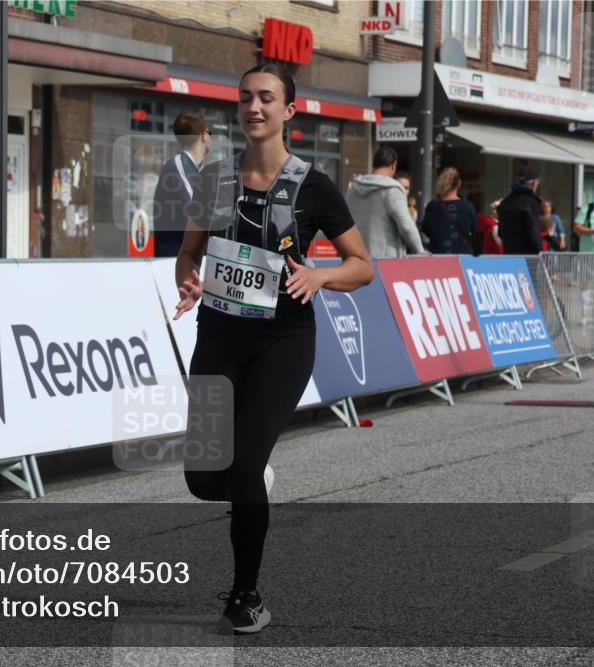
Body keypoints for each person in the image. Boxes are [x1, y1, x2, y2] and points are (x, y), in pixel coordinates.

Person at [173, 64, 373, 634]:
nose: (254, 107)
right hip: (218, 335)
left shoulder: (314, 186)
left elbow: (363, 266)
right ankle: (248, 478)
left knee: (240, 468)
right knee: (204, 479)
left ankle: (246, 595)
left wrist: (319, 277)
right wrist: (187, 280)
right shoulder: (214, 180)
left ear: (289, 111)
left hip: (282, 342)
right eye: (245, 99)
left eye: (266, 98)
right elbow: (189, 255)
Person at [344, 146, 426, 258]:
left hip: (357, 259)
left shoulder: (354, 188)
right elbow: (406, 226)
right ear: (393, 165)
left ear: (373, 165)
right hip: (385, 261)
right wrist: (420, 250)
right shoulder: (392, 190)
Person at [152, 110, 211, 258]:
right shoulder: (178, 165)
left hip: (190, 261)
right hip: (174, 263)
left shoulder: (197, 169)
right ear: (204, 134)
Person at [421, 167, 477, 254]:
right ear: (459, 183)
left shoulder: (432, 207)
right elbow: (475, 231)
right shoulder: (468, 207)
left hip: (438, 257)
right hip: (463, 258)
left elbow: (426, 230)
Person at [497, 167, 543, 255]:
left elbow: (500, 233)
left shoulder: (505, 202)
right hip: (528, 257)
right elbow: (534, 233)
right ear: (533, 183)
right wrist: (540, 254)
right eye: (537, 183)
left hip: (509, 254)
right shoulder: (531, 202)